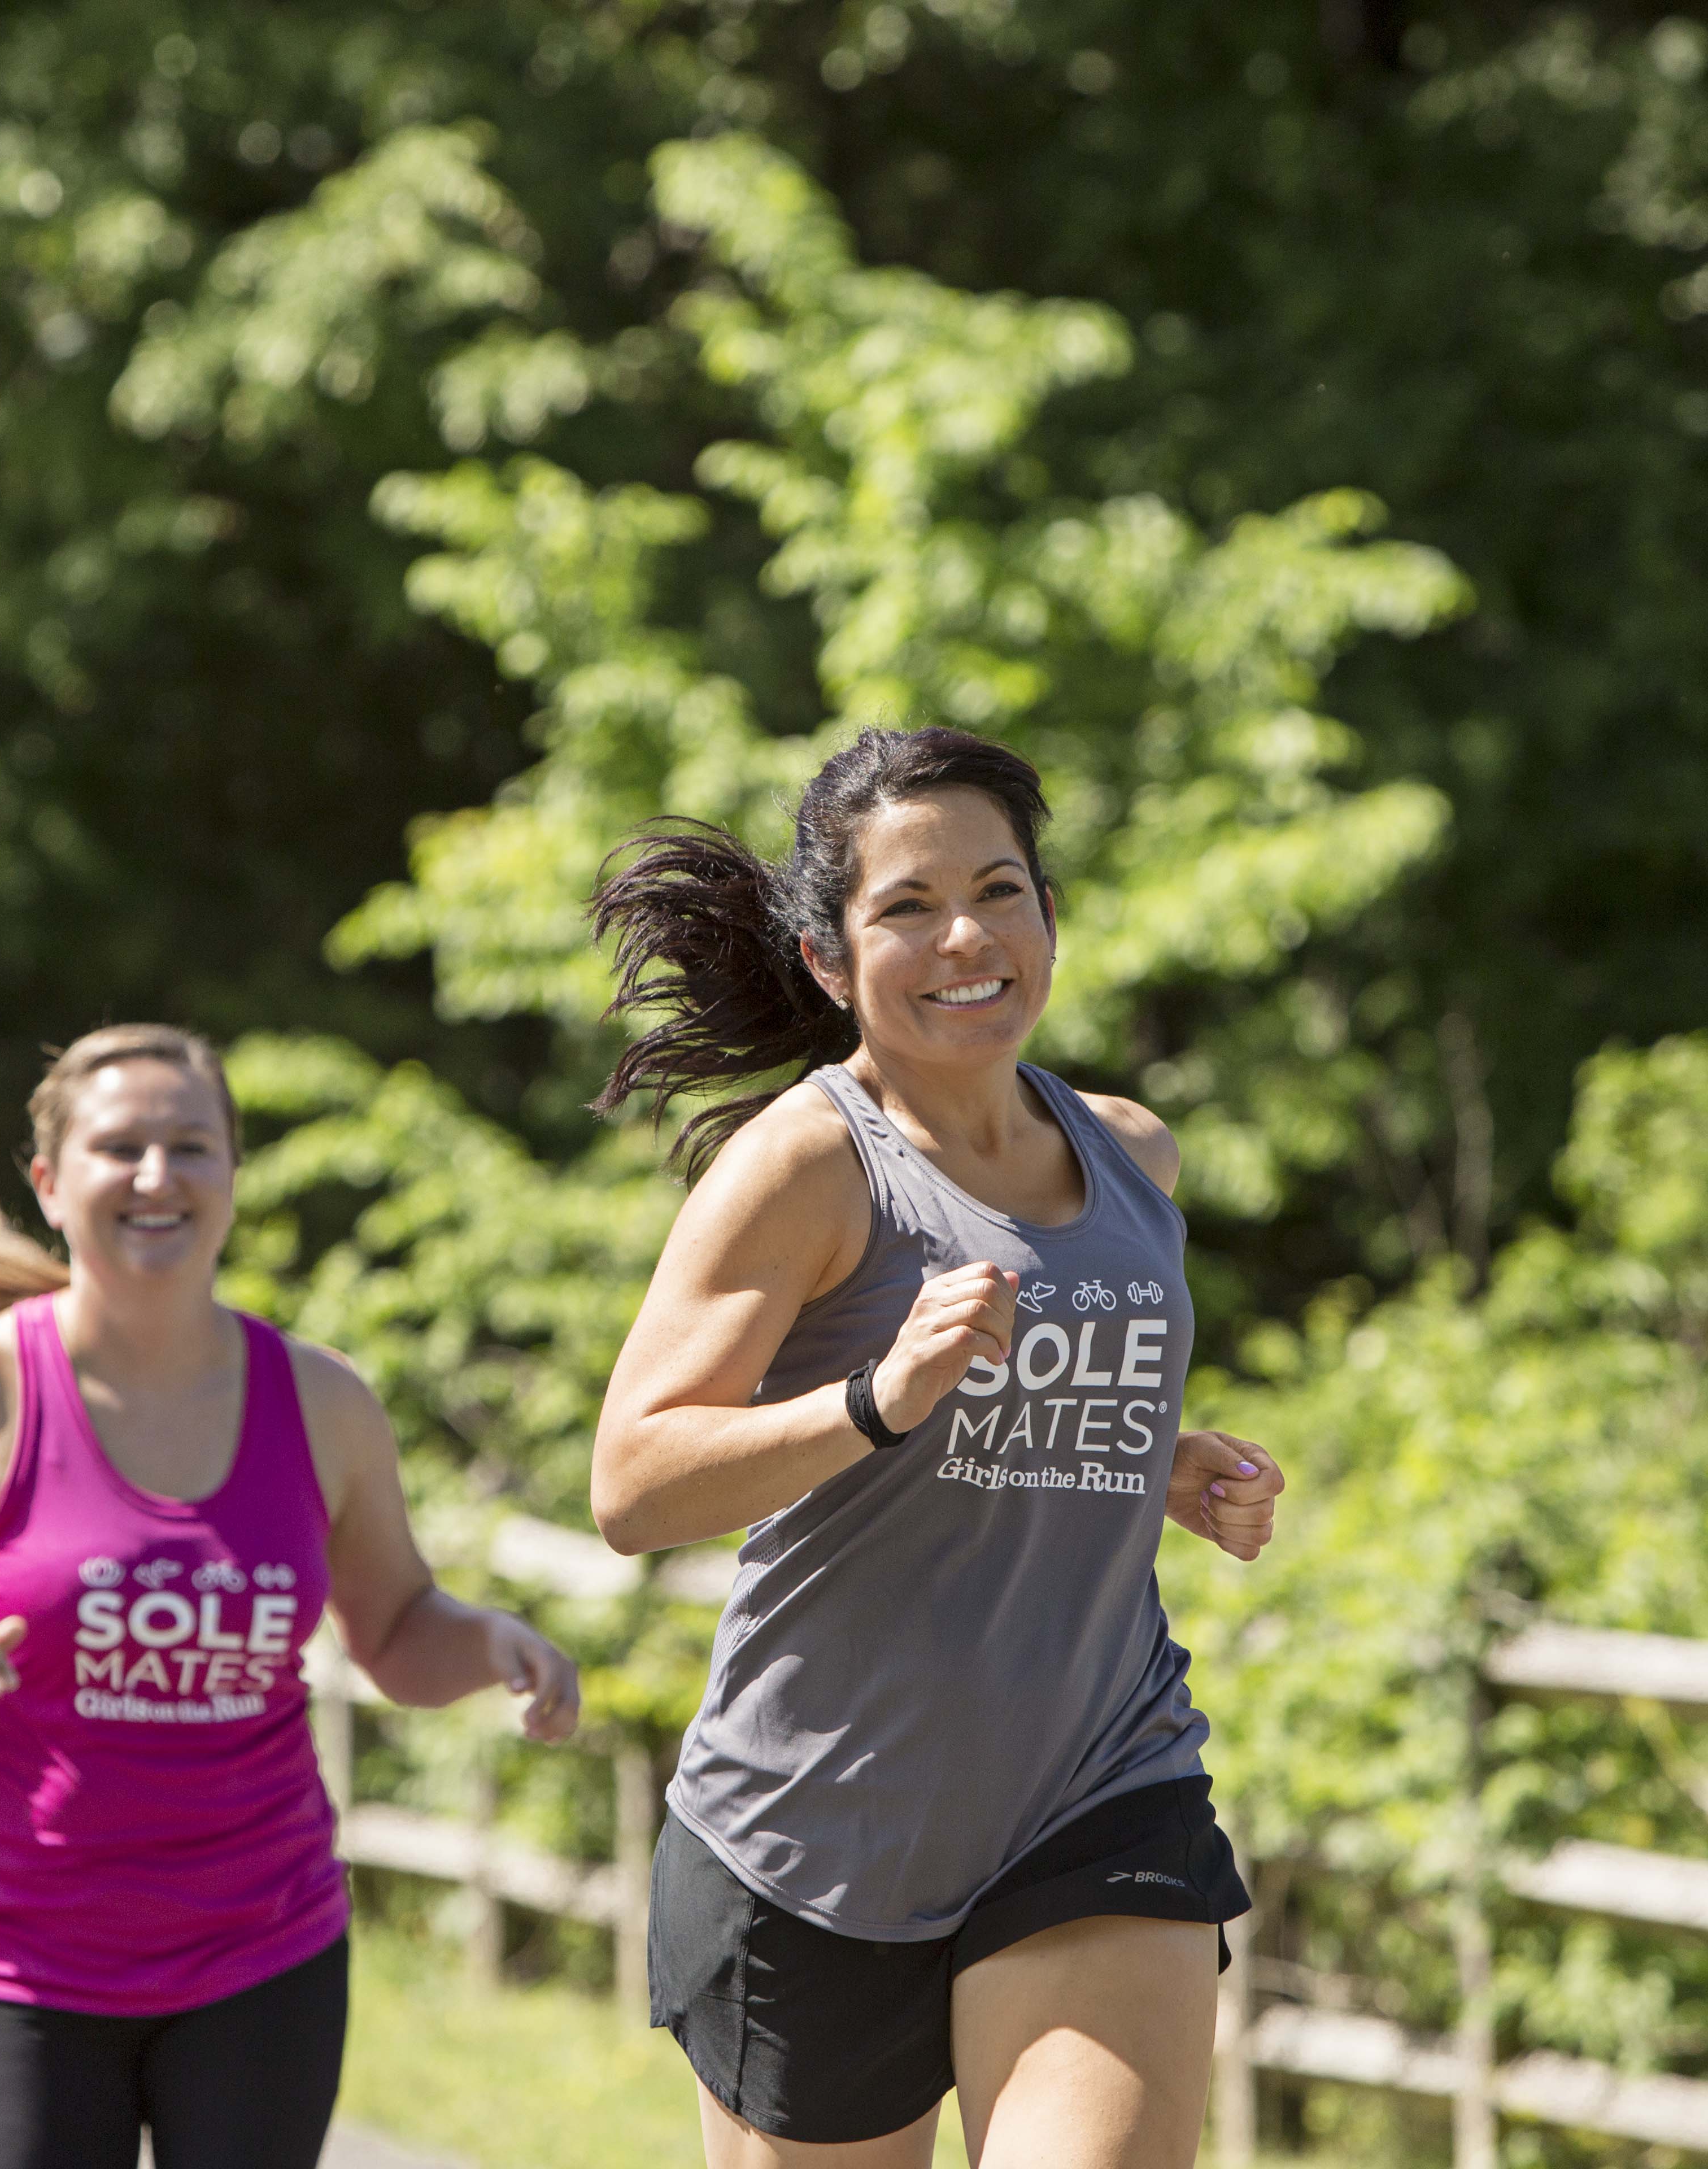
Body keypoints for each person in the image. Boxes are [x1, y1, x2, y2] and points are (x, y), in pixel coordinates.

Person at [587, 726, 1290, 2169]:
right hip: (815, 1832)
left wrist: (1158, 1461)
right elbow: (633, 1484)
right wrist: (871, 1404)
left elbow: (1019, 1421)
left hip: (1099, 1783)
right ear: (833, 960)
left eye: (1001, 890)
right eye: (907, 907)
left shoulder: (1131, 1156)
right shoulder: (807, 1163)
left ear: (1048, 914)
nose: (966, 936)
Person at [0, 1025, 584, 2169]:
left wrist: (494, 1643)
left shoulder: (323, 1403)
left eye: (191, 1146)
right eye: (121, 1148)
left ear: (231, 1176)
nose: (158, 1176)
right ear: (51, 1184)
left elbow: (399, 1633)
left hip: (260, 1949)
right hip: (20, 1953)